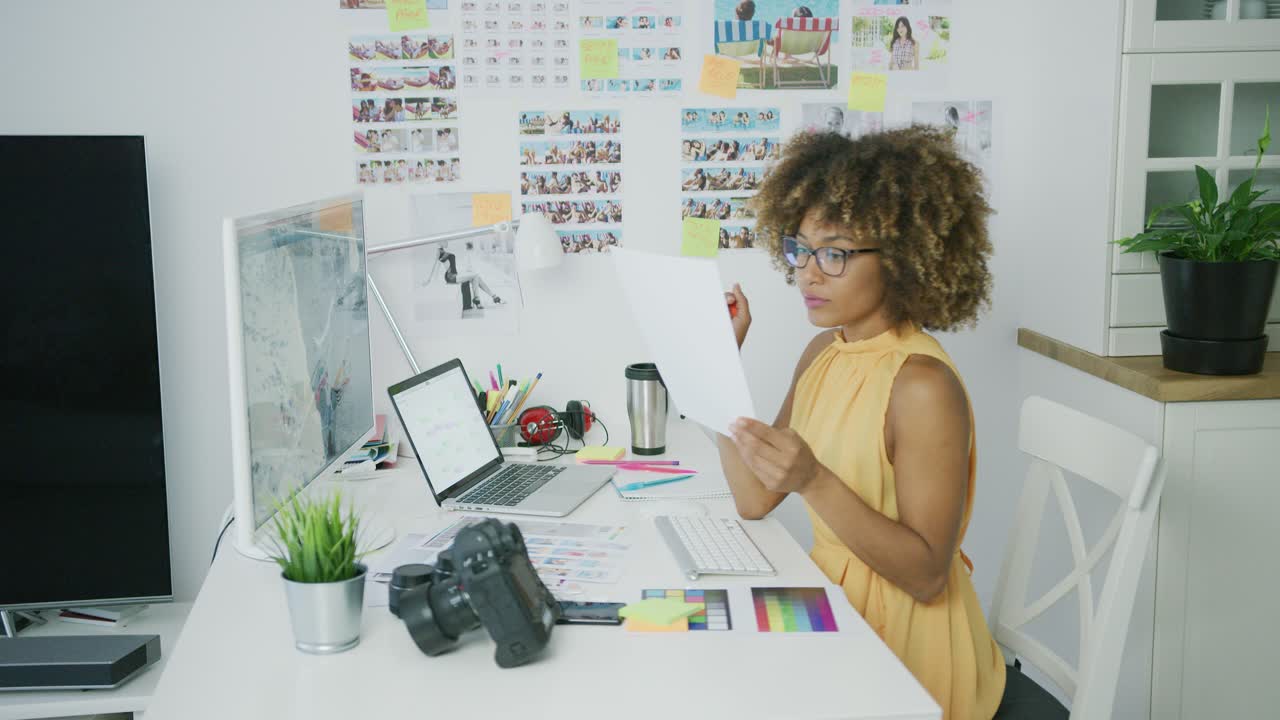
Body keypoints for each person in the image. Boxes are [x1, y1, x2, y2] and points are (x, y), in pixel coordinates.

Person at [716, 127, 1003, 720]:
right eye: (800, 249)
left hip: (910, 648)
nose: (807, 274)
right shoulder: (824, 352)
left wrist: (814, 480)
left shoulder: (922, 385)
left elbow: (926, 577)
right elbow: (755, 497)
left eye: (835, 254)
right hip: (837, 607)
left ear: (899, 260)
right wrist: (718, 362)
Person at [437, 244, 501, 307]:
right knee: (475, 276)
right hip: (451, 277)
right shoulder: (444, 254)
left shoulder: (449, 253)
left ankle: (493, 296)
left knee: (477, 277)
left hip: (455, 275)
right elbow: (441, 259)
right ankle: (478, 298)